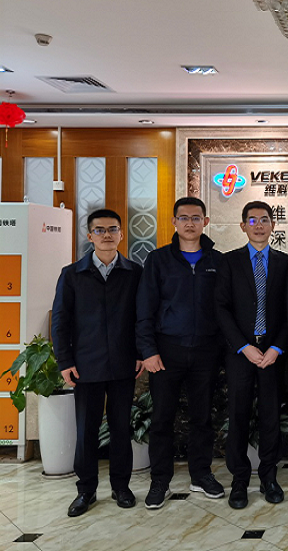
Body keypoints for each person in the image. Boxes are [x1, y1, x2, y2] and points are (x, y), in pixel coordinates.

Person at [51, 208, 143, 517]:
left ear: (121, 234)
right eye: (100, 230)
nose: (106, 235)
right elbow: (60, 322)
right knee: (86, 430)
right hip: (85, 365)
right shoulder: (72, 274)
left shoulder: (134, 273)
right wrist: (64, 360)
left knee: (120, 428)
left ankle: (121, 487)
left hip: (123, 364)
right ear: (90, 236)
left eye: (112, 229)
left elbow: (142, 318)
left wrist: (140, 353)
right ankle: (86, 490)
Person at [136, 197, 225, 509]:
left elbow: (225, 309)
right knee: (162, 418)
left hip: (206, 352)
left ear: (205, 222)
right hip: (166, 352)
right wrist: (148, 350)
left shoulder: (217, 260)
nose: (190, 223)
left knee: (203, 417)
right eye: (184, 217)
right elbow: (144, 309)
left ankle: (201, 475)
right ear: (174, 222)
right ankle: (160, 479)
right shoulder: (158, 260)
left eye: (196, 218)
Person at [216, 201, 288, 509]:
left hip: (273, 352)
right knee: (238, 415)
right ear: (242, 226)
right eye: (252, 220)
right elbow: (221, 308)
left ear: (273, 225)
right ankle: (239, 480)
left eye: (264, 220)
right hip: (240, 353)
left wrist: (276, 347)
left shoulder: (286, 263)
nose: (258, 225)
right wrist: (243, 346)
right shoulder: (229, 262)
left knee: (271, 416)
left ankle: (269, 477)